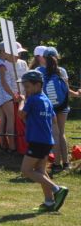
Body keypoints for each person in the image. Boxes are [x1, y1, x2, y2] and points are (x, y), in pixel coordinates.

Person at [19, 70, 68, 211]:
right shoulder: (46, 100)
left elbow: (21, 114)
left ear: (37, 85)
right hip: (47, 140)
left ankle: (57, 189)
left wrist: (22, 100)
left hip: (36, 141)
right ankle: (49, 202)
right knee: (40, 171)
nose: (25, 90)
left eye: (27, 86)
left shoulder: (32, 99)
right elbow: (53, 120)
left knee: (26, 170)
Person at [38, 47, 80, 172]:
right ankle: (66, 163)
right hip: (62, 106)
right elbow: (66, 91)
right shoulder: (62, 71)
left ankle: (56, 164)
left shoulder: (39, 71)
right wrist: (77, 94)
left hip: (49, 107)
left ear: (44, 58)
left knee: (54, 134)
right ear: (57, 57)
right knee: (62, 134)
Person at [0, 42, 23, 152]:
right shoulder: (1, 65)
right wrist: (13, 95)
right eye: (9, 52)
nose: (11, 54)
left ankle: (2, 144)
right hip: (5, 95)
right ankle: (12, 146)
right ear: (2, 51)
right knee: (10, 119)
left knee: (3, 119)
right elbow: (4, 83)